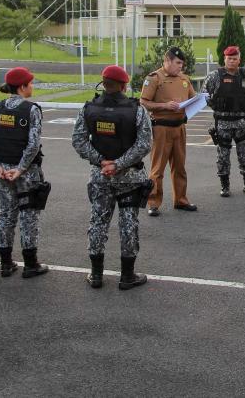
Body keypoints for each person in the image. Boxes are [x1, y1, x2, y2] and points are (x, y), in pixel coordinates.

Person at [72, 65, 152, 290]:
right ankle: (127, 276)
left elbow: (78, 140)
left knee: (98, 223)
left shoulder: (88, 108)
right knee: (128, 225)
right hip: (130, 178)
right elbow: (144, 144)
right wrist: (119, 164)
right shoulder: (137, 110)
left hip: (100, 177)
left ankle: (96, 275)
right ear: (124, 85)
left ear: (103, 83)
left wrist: (101, 162)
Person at [0, 67, 50, 279]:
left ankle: (5, 263)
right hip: (25, 174)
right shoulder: (31, 110)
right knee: (28, 217)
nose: (32, 86)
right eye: (30, 83)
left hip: (2, 172)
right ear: (22, 87)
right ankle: (30, 264)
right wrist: (20, 169)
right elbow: (32, 145)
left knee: (6, 215)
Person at [140, 47, 197, 216]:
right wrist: (164, 105)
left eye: (182, 64)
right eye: (178, 63)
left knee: (180, 167)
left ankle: (181, 200)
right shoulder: (155, 78)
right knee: (157, 169)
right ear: (167, 61)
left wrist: (201, 100)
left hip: (179, 127)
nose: (181, 66)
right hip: (161, 128)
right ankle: (153, 202)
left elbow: (192, 99)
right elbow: (143, 101)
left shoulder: (184, 79)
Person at [204, 46, 245, 198]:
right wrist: (217, 105)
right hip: (222, 122)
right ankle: (225, 185)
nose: (232, 61)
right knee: (223, 156)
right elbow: (204, 95)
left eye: (235, 59)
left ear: (239, 60)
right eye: (229, 58)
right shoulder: (215, 76)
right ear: (224, 59)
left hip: (241, 121)